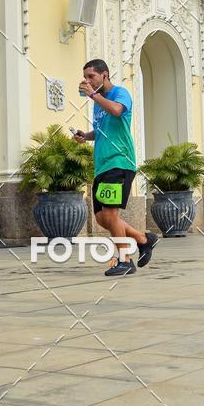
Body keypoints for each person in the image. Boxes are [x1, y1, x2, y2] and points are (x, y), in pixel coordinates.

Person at [72, 59, 157, 276]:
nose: (87, 81)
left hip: (119, 162)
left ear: (105, 75)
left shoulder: (120, 93)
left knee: (110, 215)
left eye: (91, 76)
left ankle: (125, 261)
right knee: (102, 218)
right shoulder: (98, 102)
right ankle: (143, 239)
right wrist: (85, 136)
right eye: (85, 77)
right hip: (102, 165)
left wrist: (93, 95)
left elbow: (117, 111)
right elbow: (102, 130)